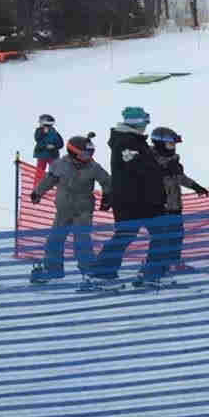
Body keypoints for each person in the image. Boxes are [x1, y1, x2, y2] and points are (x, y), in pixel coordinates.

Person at [86, 108, 167, 287]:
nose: (146, 126)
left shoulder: (133, 140)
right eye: (145, 122)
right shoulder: (126, 142)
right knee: (137, 234)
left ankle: (146, 271)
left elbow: (144, 168)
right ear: (136, 122)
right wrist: (155, 171)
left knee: (153, 233)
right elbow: (139, 170)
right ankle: (105, 271)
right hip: (134, 200)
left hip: (141, 199)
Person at [28, 134, 108, 283]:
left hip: (83, 210)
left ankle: (89, 271)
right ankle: (53, 270)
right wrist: (37, 193)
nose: (88, 156)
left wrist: (107, 199)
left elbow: (107, 182)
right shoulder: (60, 164)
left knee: (82, 240)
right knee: (54, 240)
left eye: (91, 153)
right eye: (85, 153)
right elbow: (49, 180)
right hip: (63, 210)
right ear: (73, 152)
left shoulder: (93, 167)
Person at [141, 125, 209, 283]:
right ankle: (151, 269)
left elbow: (180, 178)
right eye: (170, 144)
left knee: (177, 235)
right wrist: (163, 170)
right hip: (158, 206)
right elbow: (145, 177)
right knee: (161, 238)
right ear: (159, 143)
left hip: (175, 205)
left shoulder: (173, 160)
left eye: (174, 145)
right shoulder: (148, 158)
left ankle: (173, 263)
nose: (173, 147)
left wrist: (195, 186)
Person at [32, 114, 62, 192]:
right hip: (42, 155)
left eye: (41, 121)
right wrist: (45, 145)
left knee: (55, 171)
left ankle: (56, 187)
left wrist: (54, 146)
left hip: (53, 155)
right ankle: (37, 187)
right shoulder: (39, 130)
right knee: (40, 171)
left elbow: (60, 143)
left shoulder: (54, 131)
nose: (40, 123)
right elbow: (38, 139)